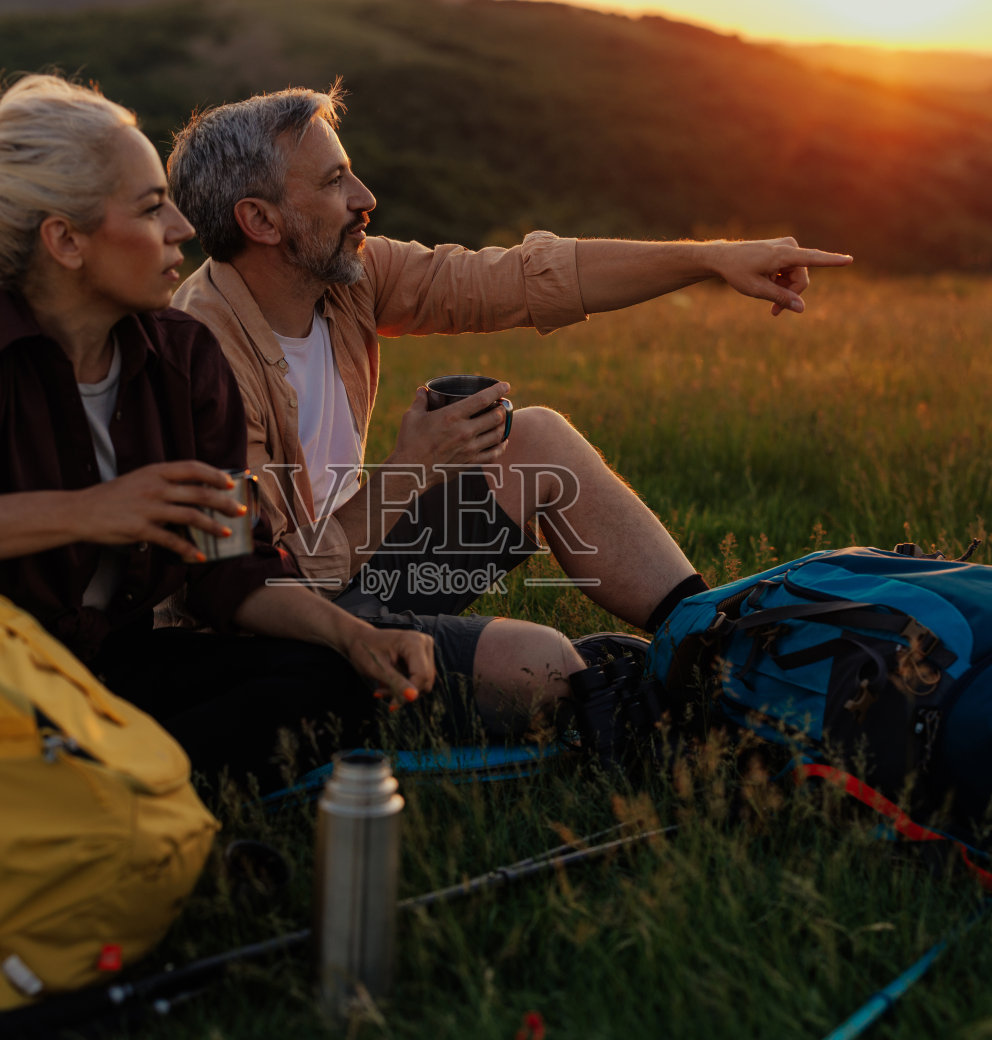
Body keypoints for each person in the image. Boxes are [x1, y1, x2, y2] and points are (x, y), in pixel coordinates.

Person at [0, 74, 433, 1002]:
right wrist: (88, 510)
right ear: (65, 241)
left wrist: (354, 631)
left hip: (101, 683)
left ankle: (74, 817)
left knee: (327, 679)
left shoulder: (185, 362)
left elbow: (232, 578)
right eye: (151, 209)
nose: (183, 231)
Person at [165, 85, 854, 733]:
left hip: (352, 567)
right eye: (333, 182)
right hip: (267, 636)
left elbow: (524, 279)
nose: (365, 197)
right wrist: (411, 470)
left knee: (539, 439)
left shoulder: (349, 277)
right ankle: (635, 703)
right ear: (258, 220)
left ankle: (715, 650)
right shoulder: (202, 360)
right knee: (546, 666)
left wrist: (710, 259)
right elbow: (253, 587)